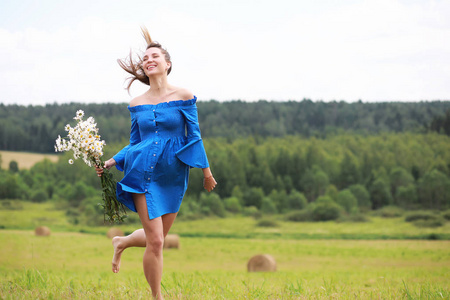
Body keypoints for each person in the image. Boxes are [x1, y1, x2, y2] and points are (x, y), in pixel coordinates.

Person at [95, 27, 217, 300]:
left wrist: (206, 173)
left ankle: (122, 241)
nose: (148, 60)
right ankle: (157, 297)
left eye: (154, 56)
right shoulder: (136, 103)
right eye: (145, 58)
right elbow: (134, 143)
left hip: (173, 176)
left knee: (157, 236)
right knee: (158, 242)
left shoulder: (184, 96)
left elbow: (195, 137)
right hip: (143, 174)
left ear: (167, 63)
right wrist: (112, 161)